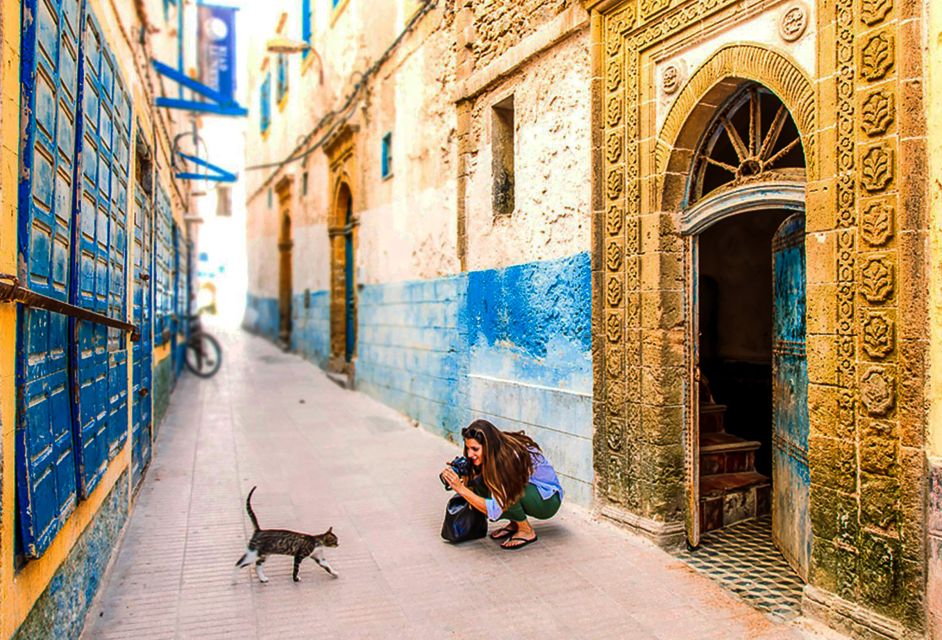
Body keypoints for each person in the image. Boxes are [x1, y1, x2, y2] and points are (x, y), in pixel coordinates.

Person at [440, 419, 563, 550]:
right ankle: (515, 523)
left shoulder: (508, 459)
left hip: (547, 500)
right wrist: (461, 471)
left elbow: (493, 509)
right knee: (482, 483)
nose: (470, 454)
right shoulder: (496, 449)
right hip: (530, 490)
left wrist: (461, 489)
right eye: (468, 448)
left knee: (505, 488)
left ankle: (526, 530)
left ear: (488, 446)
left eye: (475, 449)